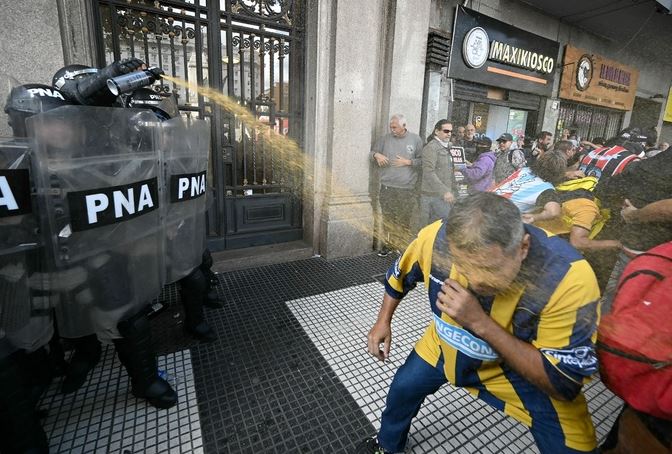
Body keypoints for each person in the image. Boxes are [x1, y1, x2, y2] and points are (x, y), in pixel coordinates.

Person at [356, 193, 601, 454]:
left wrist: (479, 322)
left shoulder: (568, 278)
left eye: (490, 268)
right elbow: (399, 275)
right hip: (444, 346)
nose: (475, 281)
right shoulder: (434, 239)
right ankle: (386, 446)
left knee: (575, 446)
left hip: (516, 372)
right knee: (402, 389)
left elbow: (563, 384)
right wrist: (383, 322)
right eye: (461, 265)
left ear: (523, 248)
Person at [595, 147, 672, 314]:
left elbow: (606, 190)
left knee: (617, 306)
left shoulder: (647, 165)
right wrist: (635, 215)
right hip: (654, 255)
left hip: (636, 248)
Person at [371, 114, 423, 256]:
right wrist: (377, 155)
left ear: (404, 126)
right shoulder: (385, 139)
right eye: (391, 127)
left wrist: (409, 162)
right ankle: (389, 245)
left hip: (406, 189)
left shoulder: (415, 140)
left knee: (404, 219)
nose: (392, 129)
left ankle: (402, 247)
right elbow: (372, 152)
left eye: (395, 127)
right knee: (389, 219)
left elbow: (423, 161)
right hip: (387, 187)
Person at [490, 150, 566, 223]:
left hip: (486, 201)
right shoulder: (547, 190)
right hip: (498, 217)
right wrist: (534, 217)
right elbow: (553, 212)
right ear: (559, 171)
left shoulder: (525, 170)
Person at [417, 119, 456, 229]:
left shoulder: (446, 147)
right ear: (436, 131)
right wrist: (444, 191)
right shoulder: (431, 147)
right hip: (433, 197)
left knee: (441, 230)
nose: (449, 134)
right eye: (446, 131)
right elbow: (429, 173)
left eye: (450, 131)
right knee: (434, 231)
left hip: (442, 197)